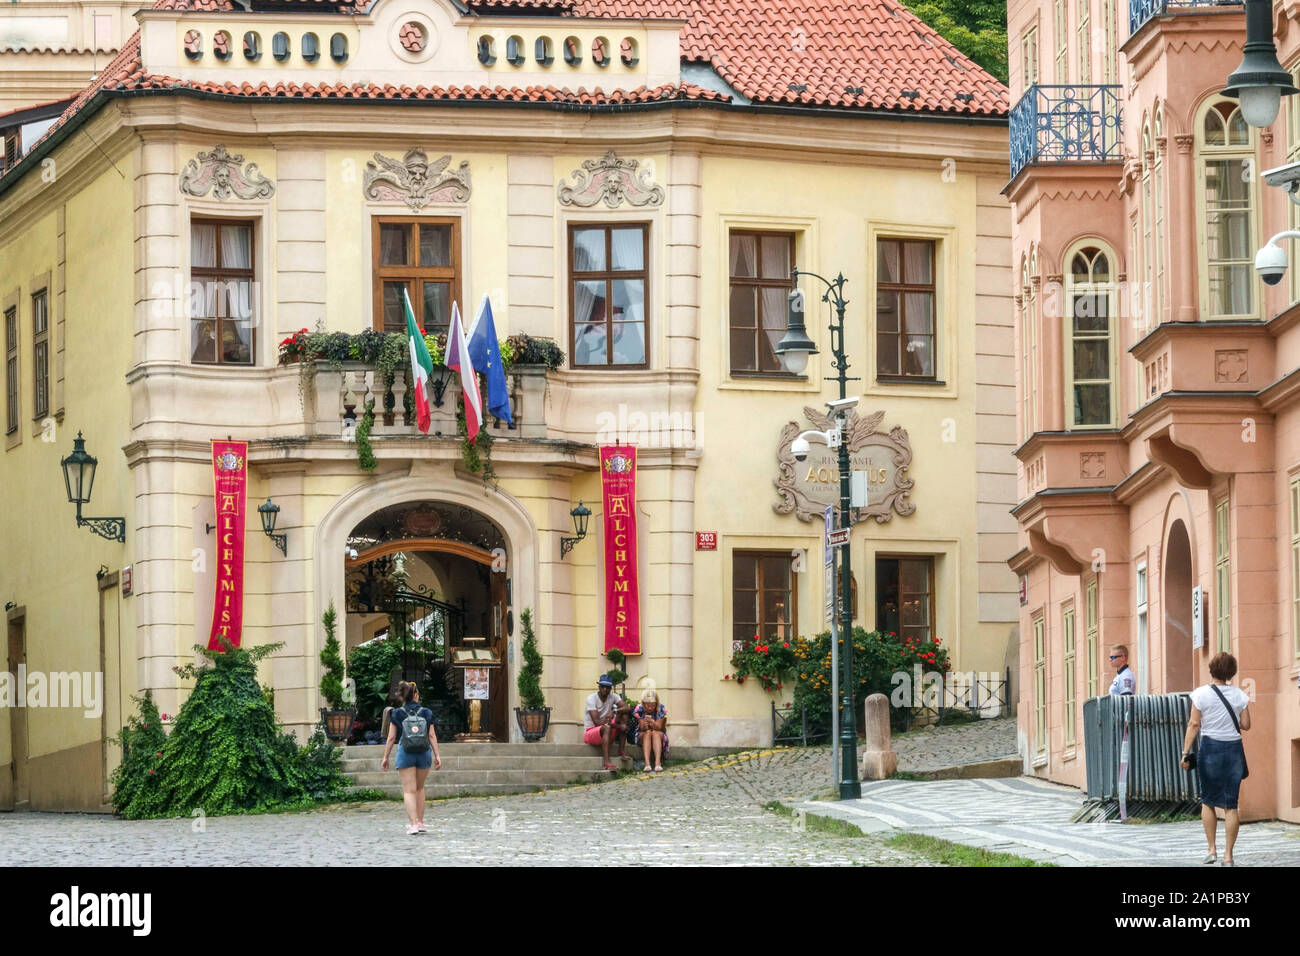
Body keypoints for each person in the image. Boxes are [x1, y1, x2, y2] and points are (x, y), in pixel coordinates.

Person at [1182, 652, 1251, 866]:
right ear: (1231, 672)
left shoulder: (1200, 694)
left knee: (1208, 801)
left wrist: (1185, 753)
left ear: (1211, 669)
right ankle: (1228, 856)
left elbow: (1194, 725)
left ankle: (1211, 850)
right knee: (1231, 804)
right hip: (1233, 750)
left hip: (1210, 748)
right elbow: (1246, 725)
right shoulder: (1240, 695)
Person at [381, 680, 442, 834]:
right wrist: (437, 755)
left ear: (403, 696)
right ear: (416, 695)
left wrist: (385, 757)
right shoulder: (427, 712)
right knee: (420, 788)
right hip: (424, 753)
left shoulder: (397, 713)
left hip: (406, 753)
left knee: (409, 791)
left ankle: (413, 824)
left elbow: (391, 738)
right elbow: (432, 736)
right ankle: (421, 823)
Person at [583, 673, 631, 770]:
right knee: (607, 727)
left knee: (624, 714)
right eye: (603, 686)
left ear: (611, 688)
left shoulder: (613, 696)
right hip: (591, 732)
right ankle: (606, 762)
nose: (605, 689)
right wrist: (618, 726)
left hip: (607, 729)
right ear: (599, 687)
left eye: (608, 687)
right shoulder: (591, 698)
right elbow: (597, 722)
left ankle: (621, 751)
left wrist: (615, 711)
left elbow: (627, 708)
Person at [630, 688, 668, 772]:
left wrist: (653, 723)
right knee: (648, 732)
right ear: (643, 703)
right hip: (642, 734)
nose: (650, 708)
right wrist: (644, 725)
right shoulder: (639, 708)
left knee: (655, 732)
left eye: (653, 705)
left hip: (658, 733)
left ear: (656, 703)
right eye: (647, 705)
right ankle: (647, 764)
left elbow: (659, 727)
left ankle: (658, 763)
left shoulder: (660, 708)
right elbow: (642, 728)